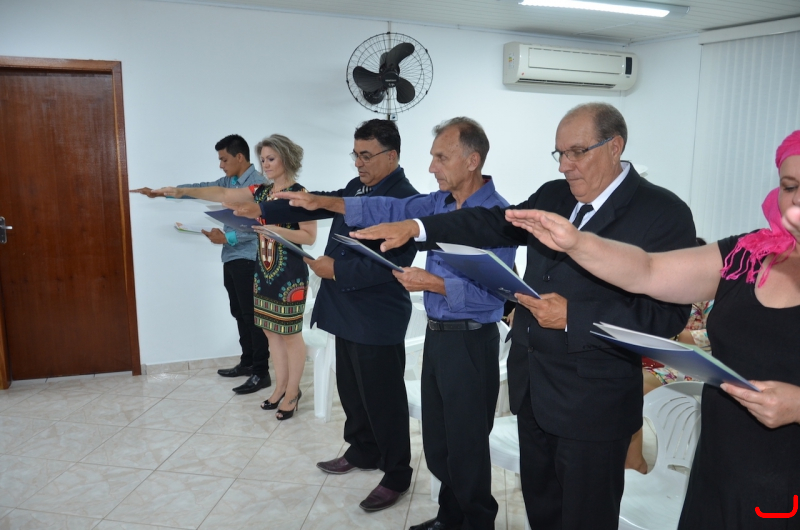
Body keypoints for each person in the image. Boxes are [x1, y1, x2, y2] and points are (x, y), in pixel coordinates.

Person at [350, 103, 697, 529]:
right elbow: (494, 223)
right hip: (533, 388)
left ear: (615, 146)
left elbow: (668, 315)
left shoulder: (661, 212)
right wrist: (419, 228)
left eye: (577, 152)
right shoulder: (554, 195)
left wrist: (573, 316)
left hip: (592, 402)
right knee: (542, 512)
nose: (565, 165)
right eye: (559, 154)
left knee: (585, 518)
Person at [505, 129, 800, 530]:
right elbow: (648, 269)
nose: (796, 202)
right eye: (789, 186)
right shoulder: (748, 253)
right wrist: (577, 243)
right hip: (721, 464)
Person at [275, 117, 515, 530]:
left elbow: (496, 296)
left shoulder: (496, 216)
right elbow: (391, 208)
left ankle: (476, 522)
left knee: (467, 446)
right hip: (440, 338)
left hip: (471, 342)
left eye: (441, 158)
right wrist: (323, 202)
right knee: (439, 444)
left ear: (472, 160)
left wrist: (432, 283)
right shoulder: (439, 203)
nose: (432, 167)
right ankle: (449, 517)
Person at [232, 119, 419, 512]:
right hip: (343, 308)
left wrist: (337, 270)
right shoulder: (355, 187)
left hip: (376, 315)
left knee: (383, 398)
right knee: (351, 390)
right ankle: (363, 450)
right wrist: (263, 207)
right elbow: (318, 207)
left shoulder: (405, 199)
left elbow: (394, 263)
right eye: (355, 154)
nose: (358, 163)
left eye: (366, 155)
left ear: (392, 156)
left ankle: (397, 473)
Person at [153, 135, 317, 418]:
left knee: (290, 335)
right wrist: (179, 191)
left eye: (271, 159)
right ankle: (279, 387)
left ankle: (293, 392)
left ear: (287, 159)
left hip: (289, 273)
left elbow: (309, 237)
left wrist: (274, 230)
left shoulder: (300, 194)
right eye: (263, 159)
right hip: (263, 269)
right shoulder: (260, 191)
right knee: (270, 332)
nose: (265, 164)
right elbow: (223, 193)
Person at [131, 134, 271, 394]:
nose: (221, 165)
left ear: (240, 157)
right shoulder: (228, 182)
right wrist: (163, 192)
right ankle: (248, 362)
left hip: (250, 258)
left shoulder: (260, 185)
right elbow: (201, 188)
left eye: (224, 159)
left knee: (253, 317)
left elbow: (262, 226)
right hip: (231, 257)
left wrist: (227, 238)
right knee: (239, 312)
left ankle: (261, 373)